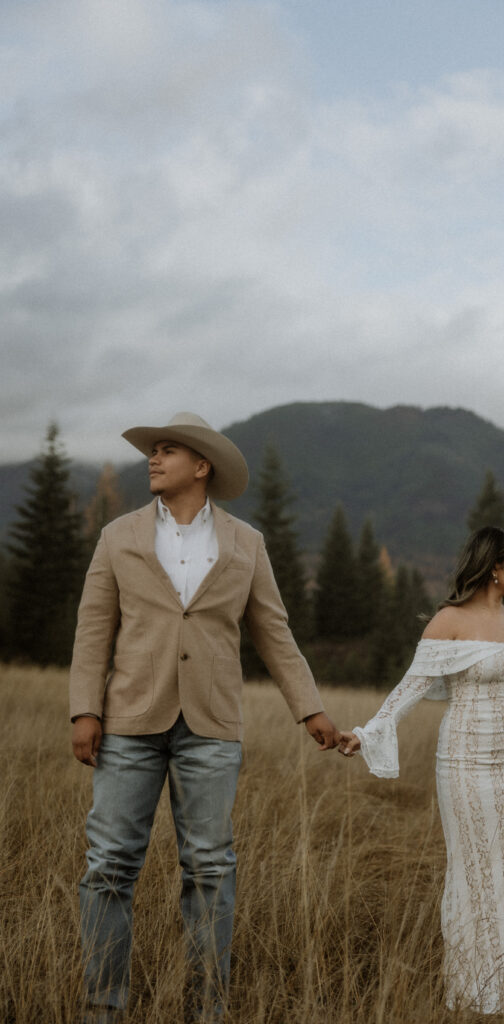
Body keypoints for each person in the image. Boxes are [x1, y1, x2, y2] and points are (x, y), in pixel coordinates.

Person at [70, 412, 340, 1024]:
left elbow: (273, 632)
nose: (153, 459)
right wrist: (85, 709)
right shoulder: (117, 535)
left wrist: (311, 709)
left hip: (212, 727)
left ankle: (206, 1008)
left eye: (167, 451)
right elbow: (93, 628)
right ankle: (102, 1004)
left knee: (211, 869)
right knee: (109, 864)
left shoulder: (247, 543)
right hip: (128, 721)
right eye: (153, 451)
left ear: (201, 466)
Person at [339, 526, 504, 1017]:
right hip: (466, 766)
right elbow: (409, 689)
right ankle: (477, 995)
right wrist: (368, 732)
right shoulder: (447, 622)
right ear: (494, 567)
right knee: (477, 873)